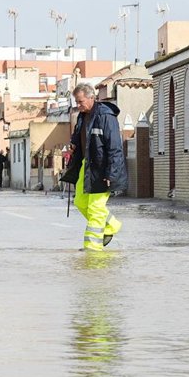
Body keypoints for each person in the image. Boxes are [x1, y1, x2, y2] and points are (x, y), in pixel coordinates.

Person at [60, 83, 127, 251]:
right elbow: (79, 137)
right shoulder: (82, 116)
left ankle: (92, 247)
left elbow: (115, 147)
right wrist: (74, 144)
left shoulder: (106, 116)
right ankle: (111, 224)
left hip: (102, 169)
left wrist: (111, 174)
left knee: (96, 208)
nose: (78, 105)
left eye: (80, 101)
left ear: (91, 98)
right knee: (81, 202)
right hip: (86, 165)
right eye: (76, 102)